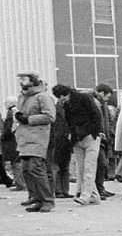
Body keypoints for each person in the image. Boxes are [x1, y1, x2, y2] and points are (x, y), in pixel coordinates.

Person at [14, 72, 57, 212]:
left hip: (38, 138)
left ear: (33, 80)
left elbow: (50, 116)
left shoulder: (42, 96)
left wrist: (29, 119)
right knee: (26, 169)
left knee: (36, 168)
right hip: (24, 138)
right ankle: (36, 198)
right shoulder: (22, 96)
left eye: (24, 78)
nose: (21, 81)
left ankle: (47, 200)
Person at [56, 85, 103, 205]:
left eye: (62, 97)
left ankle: (85, 195)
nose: (61, 99)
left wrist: (94, 133)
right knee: (82, 169)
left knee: (88, 168)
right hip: (79, 138)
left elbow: (96, 115)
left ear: (66, 94)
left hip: (88, 137)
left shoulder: (84, 99)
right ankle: (94, 195)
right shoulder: (68, 104)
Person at [93, 84, 116, 198]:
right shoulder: (93, 103)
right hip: (97, 138)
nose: (107, 99)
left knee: (102, 165)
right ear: (101, 93)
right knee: (100, 164)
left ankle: (100, 187)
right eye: (107, 97)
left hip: (105, 138)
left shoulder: (103, 105)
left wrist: (110, 134)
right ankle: (97, 189)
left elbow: (107, 121)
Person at [1, 97, 19, 189]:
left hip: (11, 141)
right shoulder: (16, 111)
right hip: (14, 139)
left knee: (15, 161)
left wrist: (3, 136)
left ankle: (20, 183)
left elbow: (9, 127)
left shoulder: (10, 112)